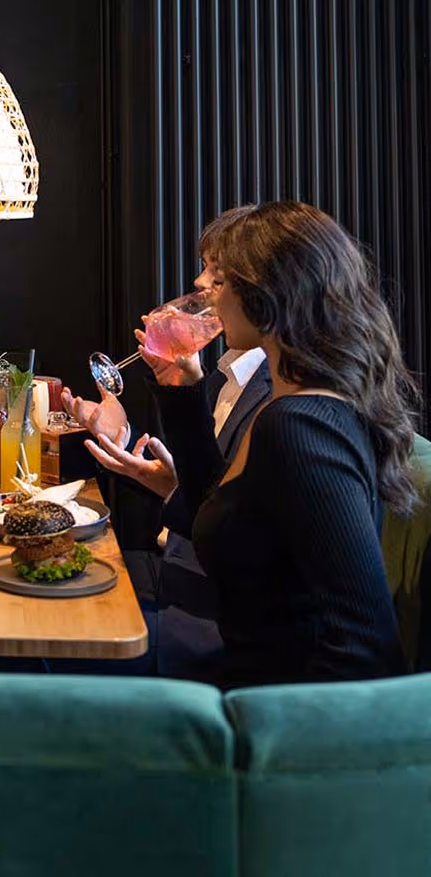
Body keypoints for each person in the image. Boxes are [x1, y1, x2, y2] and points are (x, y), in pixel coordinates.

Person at [152, 201, 415, 687]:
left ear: (268, 294)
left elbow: (364, 643)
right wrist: (184, 394)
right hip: (241, 687)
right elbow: (217, 508)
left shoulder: (300, 427)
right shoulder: (287, 406)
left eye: (222, 279)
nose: (205, 293)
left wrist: (275, 745)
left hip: (265, 716)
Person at [63, 207, 272, 679]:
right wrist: (130, 446)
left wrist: (177, 486)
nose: (200, 282)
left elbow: (234, 535)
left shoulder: (282, 402)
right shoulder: (228, 376)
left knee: (48, 628)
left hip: (207, 614)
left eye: (216, 275)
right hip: (177, 567)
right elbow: (211, 492)